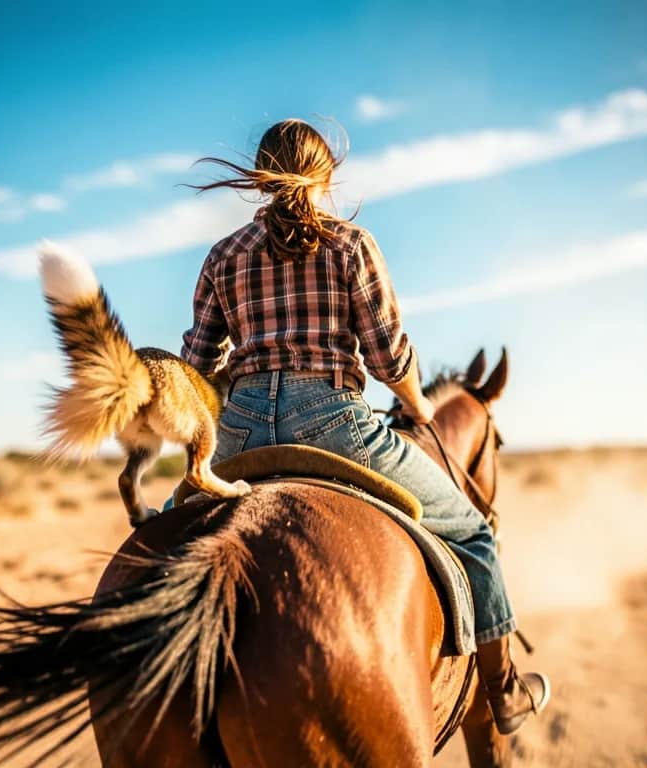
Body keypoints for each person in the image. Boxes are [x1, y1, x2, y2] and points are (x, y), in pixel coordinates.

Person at [179, 118, 550, 734]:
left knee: (165, 530)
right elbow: (387, 356)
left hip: (237, 431)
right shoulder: (350, 244)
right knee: (475, 535)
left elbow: (197, 366)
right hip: (331, 423)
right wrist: (420, 406)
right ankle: (504, 692)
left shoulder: (224, 255)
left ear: (262, 177)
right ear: (327, 175)